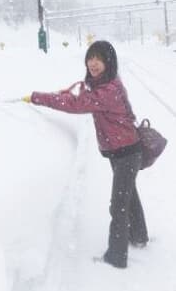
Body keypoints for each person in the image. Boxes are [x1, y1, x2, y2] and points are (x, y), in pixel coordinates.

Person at [22, 40, 148, 269]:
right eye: (90, 57)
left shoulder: (107, 90)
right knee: (129, 195)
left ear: (109, 62)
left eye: (99, 58)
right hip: (124, 150)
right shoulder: (104, 83)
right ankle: (139, 236)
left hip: (126, 151)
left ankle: (117, 257)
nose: (93, 63)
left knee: (119, 203)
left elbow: (76, 105)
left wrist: (37, 97)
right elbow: (84, 98)